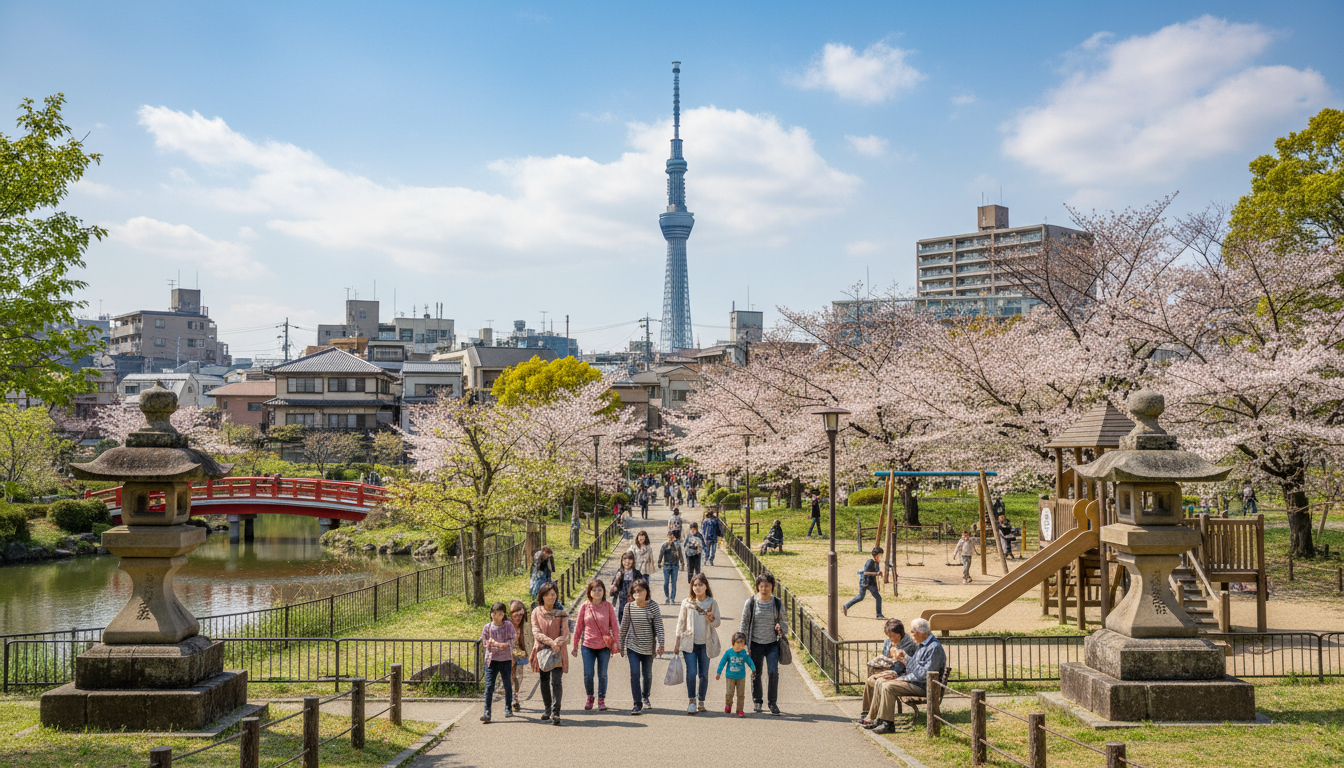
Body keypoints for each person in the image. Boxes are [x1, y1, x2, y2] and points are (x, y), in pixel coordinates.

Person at [866, 617, 947, 735]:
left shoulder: (934, 648)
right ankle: (878, 719)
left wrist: (903, 675)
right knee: (880, 681)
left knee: (888, 686)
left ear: (920, 632)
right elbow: (913, 667)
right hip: (917, 682)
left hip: (925, 686)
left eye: (913, 633)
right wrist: (904, 661)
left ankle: (888, 724)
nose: (912, 636)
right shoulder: (923, 644)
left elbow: (924, 675)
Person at [739, 571, 788, 715]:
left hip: (772, 644)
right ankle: (757, 700)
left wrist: (780, 628)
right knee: (756, 672)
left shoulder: (777, 603)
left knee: (773, 672)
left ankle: (772, 703)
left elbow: (784, 623)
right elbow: (744, 624)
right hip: (755, 643)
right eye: (761, 586)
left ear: (772, 586)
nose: (764, 589)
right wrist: (743, 645)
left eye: (767, 586)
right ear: (757, 587)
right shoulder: (751, 603)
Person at [675, 572, 722, 714]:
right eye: (695, 585)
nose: (697, 587)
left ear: (706, 586)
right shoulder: (687, 602)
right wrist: (677, 642)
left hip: (705, 644)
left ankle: (701, 701)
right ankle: (691, 701)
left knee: (703, 674)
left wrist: (710, 617)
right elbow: (681, 623)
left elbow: (717, 623)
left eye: (700, 585)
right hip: (689, 643)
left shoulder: (712, 602)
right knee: (691, 672)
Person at [571, 578, 621, 712]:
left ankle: (601, 699)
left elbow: (615, 626)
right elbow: (578, 627)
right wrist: (575, 645)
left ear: (603, 591)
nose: (597, 592)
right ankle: (590, 697)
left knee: (602, 674)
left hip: (604, 646)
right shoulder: (585, 607)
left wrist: (617, 642)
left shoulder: (608, 607)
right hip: (587, 645)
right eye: (594, 590)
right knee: (588, 674)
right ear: (590, 592)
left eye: (599, 590)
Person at [858, 618, 918, 727]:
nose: (891, 639)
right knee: (870, 680)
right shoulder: (888, 642)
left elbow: (901, 666)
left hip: (901, 673)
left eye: (893, 636)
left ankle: (876, 717)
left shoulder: (909, 644)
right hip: (888, 669)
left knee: (879, 682)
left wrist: (890, 670)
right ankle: (866, 711)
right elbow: (885, 659)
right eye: (889, 636)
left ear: (900, 633)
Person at [618, 578, 664, 715]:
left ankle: (645, 695)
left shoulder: (653, 606)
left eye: (640, 590)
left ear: (646, 592)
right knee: (635, 673)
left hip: (648, 647)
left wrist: (661, 643)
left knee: (647, 674)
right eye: (635, 591)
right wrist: (621, 644)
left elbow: (659, 626)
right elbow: (624, 627)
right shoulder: (629, 607)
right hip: (632, 646)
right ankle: (637, 704)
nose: (637, 593)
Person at [529, 581, 568, 725]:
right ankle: (547, 708)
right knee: (544, 679)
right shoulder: (536, 612)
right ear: (542, 597)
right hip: (542, 650)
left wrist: (557, 642)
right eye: (548, 595)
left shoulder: (561, 613)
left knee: (556, 681)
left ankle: (556, 712)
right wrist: (551, 642)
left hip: (558, 650)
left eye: (553, 594)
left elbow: (566, 633)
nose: (551, 597)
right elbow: (536, 632)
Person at [479, 602, 517, 723]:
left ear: (503, 614)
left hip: (505, 659)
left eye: (499, 613)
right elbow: (484, 642)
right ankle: (487, 711)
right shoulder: (487, 627)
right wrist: (491, 644)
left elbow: (513, 640)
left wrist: (501, 644)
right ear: (491, 614)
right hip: (491, 660)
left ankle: (508, 707)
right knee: (489, 686)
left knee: (507, 684)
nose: (496, 615)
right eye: (494, 613)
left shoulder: (508, 625)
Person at [716, 632, 756, 716]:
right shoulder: (729, 652)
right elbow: (722, 662)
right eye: (738, 642)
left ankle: (739, 709)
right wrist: (718, 672)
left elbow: (749, 661)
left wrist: (754, 670)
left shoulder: (744, 653)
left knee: (741, 694)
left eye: (742, 642)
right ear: (733, 643)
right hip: (730, 677)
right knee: (729, 693)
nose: (740, 644)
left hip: (741, 677)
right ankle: (728, 705)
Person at [842, 546, 886, 619]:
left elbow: (875, 571)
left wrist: (879, 573)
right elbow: (865, 572)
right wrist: (876, 573)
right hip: (866, 582)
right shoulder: (870, 561)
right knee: (877, 597)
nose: (881, 557)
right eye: (880, 556)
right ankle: (879, 614)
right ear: (876, 555)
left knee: (861, 597)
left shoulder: (876, 562)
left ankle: (846, 606)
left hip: (870, 582)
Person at [507, 599, 533, 711]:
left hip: (519, 653)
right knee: (511, 675)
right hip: (507, 653)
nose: (519, 618)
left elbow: (529, 641)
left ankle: (515, 698)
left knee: (519, 675)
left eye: (521, 615)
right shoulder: (507, 625)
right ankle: (510, 698)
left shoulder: (524, 626)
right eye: (516, 615)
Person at [610, 551, 644, 624]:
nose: (627, 562)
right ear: (622, 561)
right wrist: (614, 586)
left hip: (634, 600)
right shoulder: (620, 572)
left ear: (633, 561)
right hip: (622, 599)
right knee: (622, 619)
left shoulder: (636, 573)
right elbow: (614, 585)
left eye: (630, 559)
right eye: (625, 559)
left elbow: (643, 586)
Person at [658, 530, 685, 604]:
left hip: (675, 565)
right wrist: (659, 562)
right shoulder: (664, 545)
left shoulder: (677, 545)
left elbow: (680, 555)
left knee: (674, 583)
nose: (670, 537)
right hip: (666, 565)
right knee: (666, 582)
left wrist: (682, 564)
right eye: (669, 536)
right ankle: (667, 597)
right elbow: (661, 554)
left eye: (671, 536)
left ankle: (672, 598)